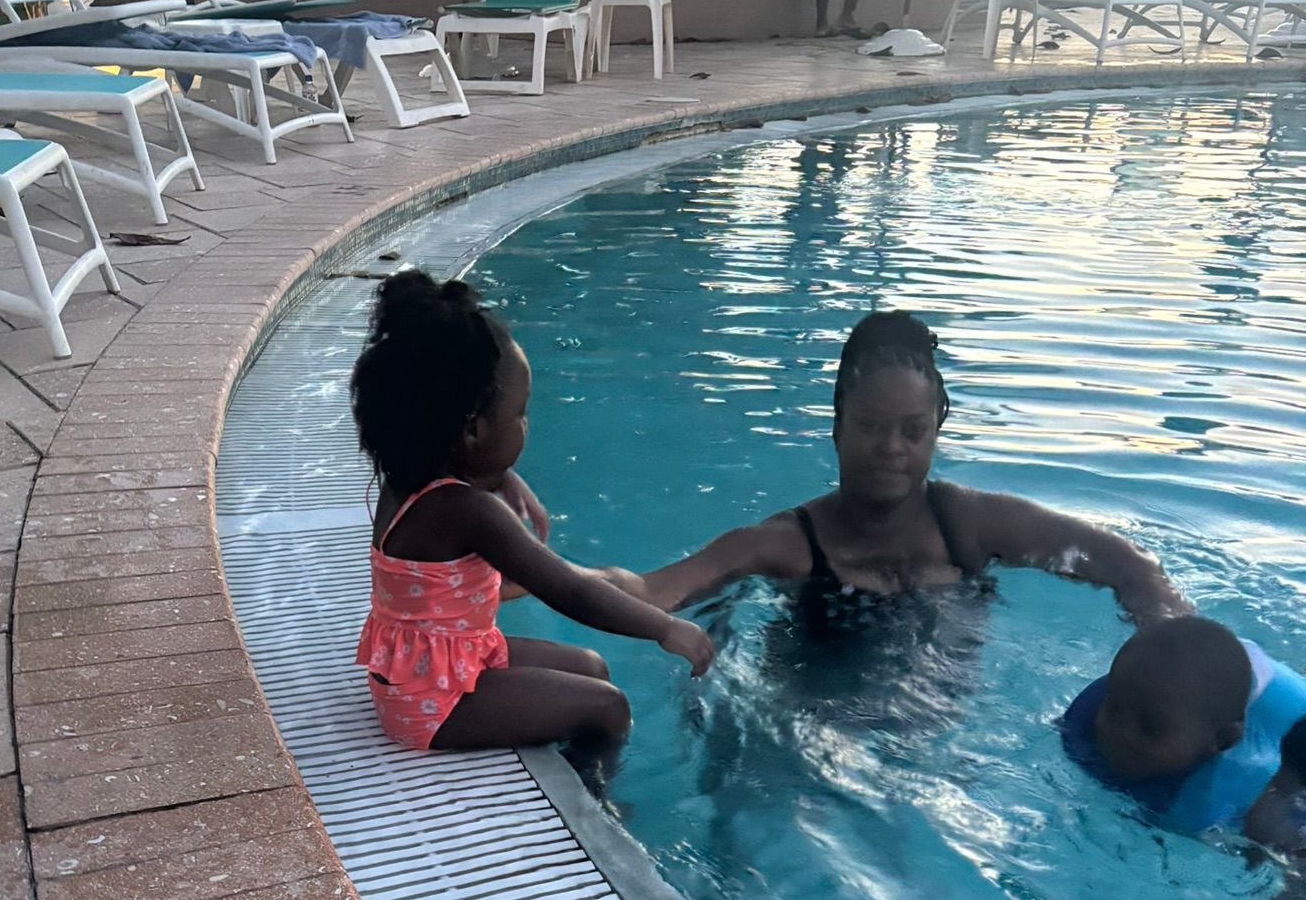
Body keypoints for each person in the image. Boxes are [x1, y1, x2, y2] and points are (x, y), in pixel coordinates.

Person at [350, 271, 713, 756]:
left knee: (590, 666)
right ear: (473, 432)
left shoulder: (408, 479)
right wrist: (664, 628)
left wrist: (504, 476)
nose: (525, 424)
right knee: (608, 706)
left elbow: (456, 469)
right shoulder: (468, 510)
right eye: (519, 414)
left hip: (436, 665)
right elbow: (569, 589)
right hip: (434, 702)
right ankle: (596, 795)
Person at [638, 311, 1191, 627]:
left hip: (950, 754)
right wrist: (550, 573)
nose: (892, 448)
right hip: (818, 737)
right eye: (871, 426)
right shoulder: (789, 545)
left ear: (935, 433)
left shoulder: (972, 525)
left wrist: (1165, 635)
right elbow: (651, 589)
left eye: (912, 430)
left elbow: (1129, 564)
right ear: (837, 429)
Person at [1060, 617, 1306, 849]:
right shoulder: (1127, 695)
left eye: (1150, 728)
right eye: (1114, 710)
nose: (1121, 732)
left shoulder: (1231, 781)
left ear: (1221, 741)